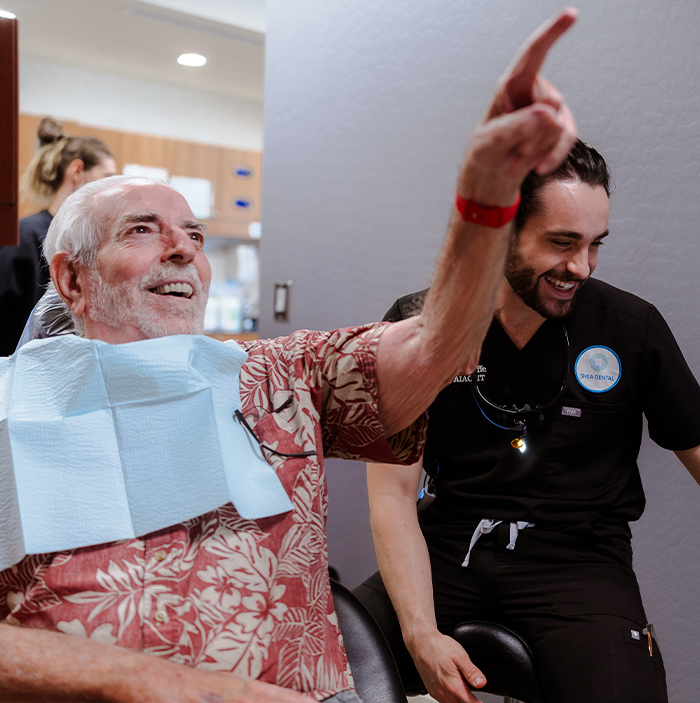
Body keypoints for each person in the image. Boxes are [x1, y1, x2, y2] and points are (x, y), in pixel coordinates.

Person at [0, 10, 578, 703]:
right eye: (143, 230)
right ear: (71, 278)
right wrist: (146, 680)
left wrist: (487, 191)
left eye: (193, 232)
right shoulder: (13, 414)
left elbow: (437, 345)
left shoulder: (277, 376)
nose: (183, 247)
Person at [355, 139, 700, 703]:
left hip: (579, 565)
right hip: (449, 553)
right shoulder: (417, 327)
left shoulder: (630, 328)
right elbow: (391, 495)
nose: (581, 267)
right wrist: (420, 634)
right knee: (308, 670)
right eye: (562, 243)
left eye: (595, 246)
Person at [0, 116, 117, 355]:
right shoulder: (25, 236)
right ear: (77, 171)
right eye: (107, 178)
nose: (112, 190)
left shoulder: (95, 242)